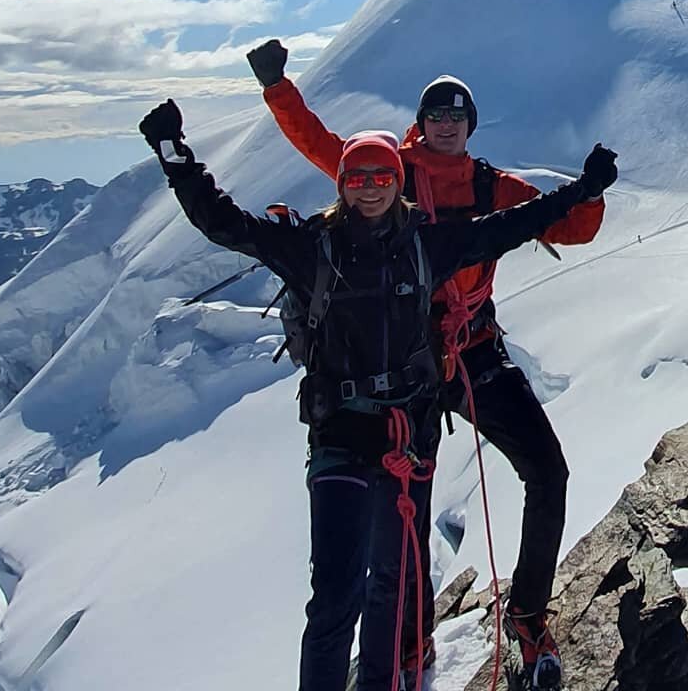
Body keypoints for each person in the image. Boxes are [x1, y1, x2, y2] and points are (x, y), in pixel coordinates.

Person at [138, 97, 617, 691]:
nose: (370, 186)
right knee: (345, 590)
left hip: (415, 411)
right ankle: (404, 658)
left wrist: (582, 192)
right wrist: (178, 159)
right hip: (351, 429)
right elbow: (224, 222)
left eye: (381, 175)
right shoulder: (317, 246)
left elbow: (512, 227)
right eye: (358, 177)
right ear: (343, 183)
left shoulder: (432, 235)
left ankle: (410, 661)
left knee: (389, 573)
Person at [245, 40, 604, 689]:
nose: (445, 124)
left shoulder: (493, 187)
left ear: (470, 125)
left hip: (468, 351)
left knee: (545, 472)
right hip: (410, 371)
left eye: (456, 116)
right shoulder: (391, 170)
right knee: (404, 519)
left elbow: (569, 226)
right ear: (422, 121)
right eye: (436, 115)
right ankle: (412, 650)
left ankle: (518, 619)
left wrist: (592, 193)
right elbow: (323, 145)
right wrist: (277, 88)